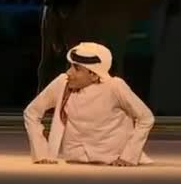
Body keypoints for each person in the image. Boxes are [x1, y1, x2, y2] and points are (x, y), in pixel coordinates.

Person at [24, 42, 154, 166]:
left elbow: (146, 118)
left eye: (77, 68)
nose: (69, 72)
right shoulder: (62, 83)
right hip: (72, 162)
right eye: (70, 66)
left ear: (94, 74)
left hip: (112, 161)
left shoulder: (115, 87)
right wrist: (41, 153)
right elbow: (32, 112)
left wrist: (129, 156)